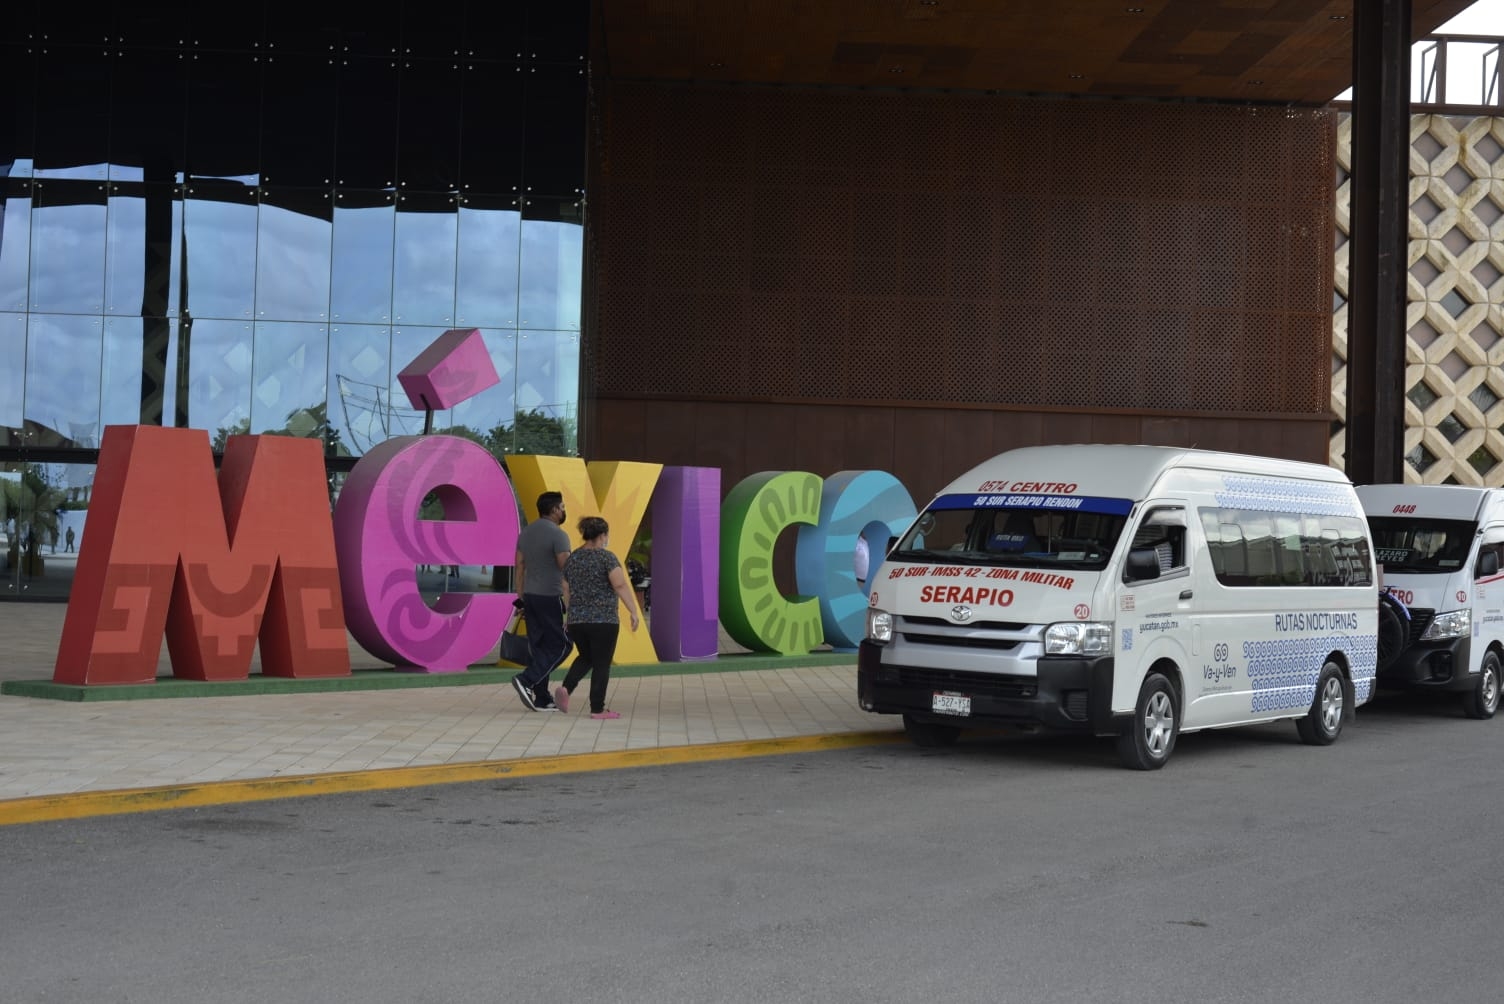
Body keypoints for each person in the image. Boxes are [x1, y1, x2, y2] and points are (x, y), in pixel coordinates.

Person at [555, 516, 640, 719]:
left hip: (577, 620)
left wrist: (570, 613)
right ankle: (597, 708)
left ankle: (566, 688)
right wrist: (633, 611)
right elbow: (619, 584)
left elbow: (565, 588)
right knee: (602, 663)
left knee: (587, 657)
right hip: (604, 621)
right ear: (602, 535)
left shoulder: (573, 558)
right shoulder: (606, 558)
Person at [510, 491, 573, 711]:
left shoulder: (526, 533)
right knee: (563, 644)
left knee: (540, 647)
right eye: (562, 507)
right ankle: (526, 680)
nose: (564, 511)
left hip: (530, 596)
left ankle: (542, 697)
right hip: (551, 596)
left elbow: (519, 566)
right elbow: (567, 568)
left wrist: (521, 599)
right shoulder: (558, 535)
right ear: (555, 509)